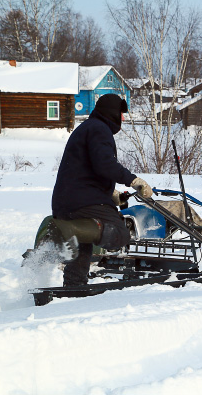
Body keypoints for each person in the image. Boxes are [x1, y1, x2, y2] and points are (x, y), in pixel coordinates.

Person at [48, 93, 153, 286]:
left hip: (67, 200)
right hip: (82, 200)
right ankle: (68, 230)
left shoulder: (87, 128)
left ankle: (74, 286)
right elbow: (105, 164)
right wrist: (134, 180)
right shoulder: (99, 129)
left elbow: (85, 169)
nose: (122, 119)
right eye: (121, 113)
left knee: (83, 246)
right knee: (119, 232)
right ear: (112, 112)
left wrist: (110, 194)